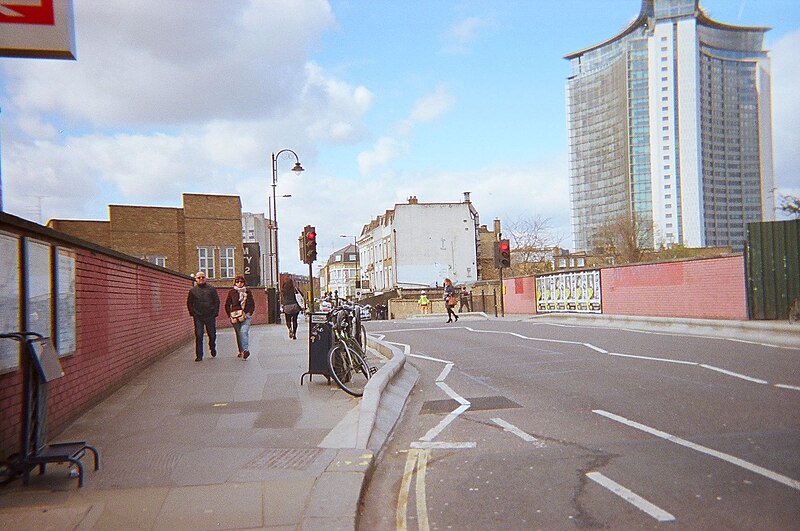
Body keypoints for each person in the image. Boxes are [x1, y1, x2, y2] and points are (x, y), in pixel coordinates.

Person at [187, 271, 220, 361]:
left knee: (212, 335)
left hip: (210, 315)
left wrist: (215, 313)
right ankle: (199, 355)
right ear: (196, 279)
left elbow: (216, 301)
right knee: (199, 335)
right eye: (199, 278)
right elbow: (189, 303)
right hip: (198, 316)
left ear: (205, 278)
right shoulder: (192, 291)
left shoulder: (212, 289)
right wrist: (193, 313)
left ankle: (212, 347)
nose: (201, 279)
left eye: (203, 277)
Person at [225, 275, 255, 360]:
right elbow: (227, 304)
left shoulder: (248, 291)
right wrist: (229, 315)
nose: (239, 283)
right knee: (238, 334)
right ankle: (241, 351)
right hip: (235, 316)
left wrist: (249, 313)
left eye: (241, 282)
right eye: (237, 282)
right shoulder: (232, 292)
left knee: (243, 332)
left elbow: (252, 303)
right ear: (235, 283)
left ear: (244, 283)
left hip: (246, 316)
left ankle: (245, 350)